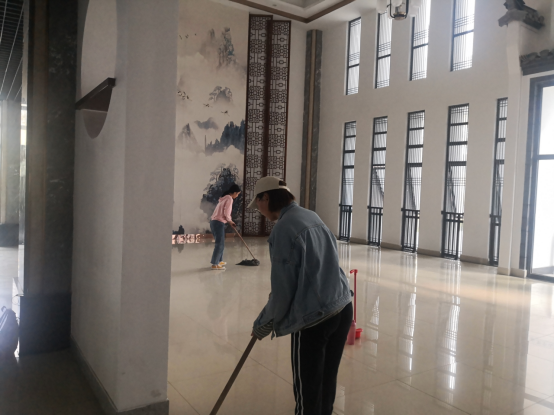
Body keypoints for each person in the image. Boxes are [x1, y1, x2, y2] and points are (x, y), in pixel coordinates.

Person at [250, 176, 352, 415]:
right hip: (342, 306)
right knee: (327, 379)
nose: (259, 210)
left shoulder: (283, 228)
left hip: (315, 318)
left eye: (258, 203)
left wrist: (262, 324)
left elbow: (283, 291)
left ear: (266, 198)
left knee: (309, 388)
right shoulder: (311, 215)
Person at [210, 184, 241, 270]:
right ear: (234, 192)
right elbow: (226, 213)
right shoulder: (229, 199)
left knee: (221, 242)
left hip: (214, 222)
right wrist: (230, 221)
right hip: (218, 222)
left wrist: (229, 221)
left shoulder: (224, 198)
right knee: (219, 243)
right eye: (237, 194)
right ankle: (215, 264)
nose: (237, 196)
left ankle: (219, 260)